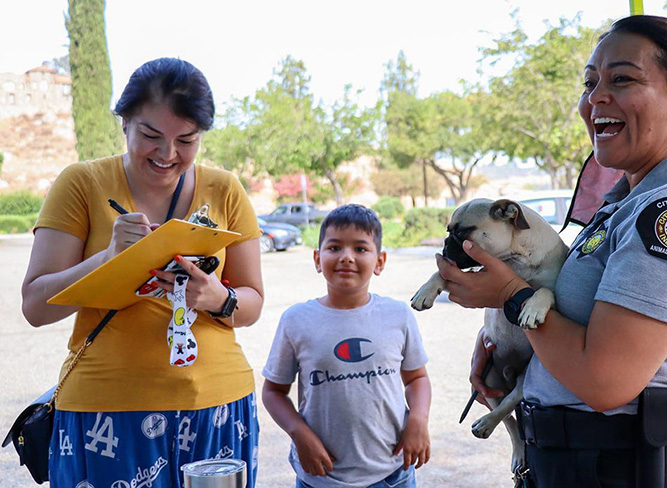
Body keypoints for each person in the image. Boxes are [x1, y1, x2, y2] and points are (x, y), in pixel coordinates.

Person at [436, 15, 667, 488]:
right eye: (590, 82)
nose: (596, 97)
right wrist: (515, 352)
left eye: (622, 79)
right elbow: (580, 323)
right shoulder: (628, 200)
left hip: (634, 467)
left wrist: (510, 297)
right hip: (583, 462)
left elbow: (606, 381)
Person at [21, 58, 263, 487]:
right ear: (125, 124)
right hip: (106, 408)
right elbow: (36, 306)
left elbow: (252, 302)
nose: (168, 154)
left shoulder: (224, 188)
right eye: (151, 136)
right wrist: (108, 256)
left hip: (217, 405)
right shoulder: (82, 183)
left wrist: (217, 299)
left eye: (186, 140)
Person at [262, 204, 431, 488]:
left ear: (380, 261)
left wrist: (418, 420)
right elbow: (273, 392)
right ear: (317, 259)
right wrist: (299, 433)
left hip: (392, 473)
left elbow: (417, 378)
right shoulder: (296, 321)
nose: (347, 257)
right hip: (320, 476)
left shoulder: (398, 315)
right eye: (335, 247)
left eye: (361, 249)